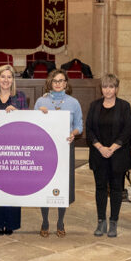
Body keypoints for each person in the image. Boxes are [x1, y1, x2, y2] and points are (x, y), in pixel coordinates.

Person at [35, 70, 82, 237]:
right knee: (45, 184)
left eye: (61, 81)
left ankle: (61, 221)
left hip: (65, 147)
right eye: (55, 81)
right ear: (50, 82)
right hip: (45, 150)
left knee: (63, 184)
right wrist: (38, 114)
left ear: (66, 83)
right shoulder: (41, 101)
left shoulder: (73, 103)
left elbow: (79, 125)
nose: (58, 83)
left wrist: (73, 133)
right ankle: (45, 221)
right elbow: (33, 125)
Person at [85, 74, 131, 238]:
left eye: (111, 87)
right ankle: (101, 221)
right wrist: (100, 147)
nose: (108, 90)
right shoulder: (94, 105)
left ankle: (113, 221)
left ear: (116, 89)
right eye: (105, 87)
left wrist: (111, 148)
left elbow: (127, 130)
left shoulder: (124, 106)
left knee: (116, 189)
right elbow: (89, 129)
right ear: (101, 89)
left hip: (118, 154)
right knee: (100, 188)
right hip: (99, 154)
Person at [0, 64, 28, 235]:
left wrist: (17, 114)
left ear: (13, 80)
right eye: (3, 77)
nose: (6, 80)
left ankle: (11, 223)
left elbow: (27, 124)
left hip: (15, 149)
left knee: (12, 187)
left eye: (9, 77)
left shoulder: (20, 97)